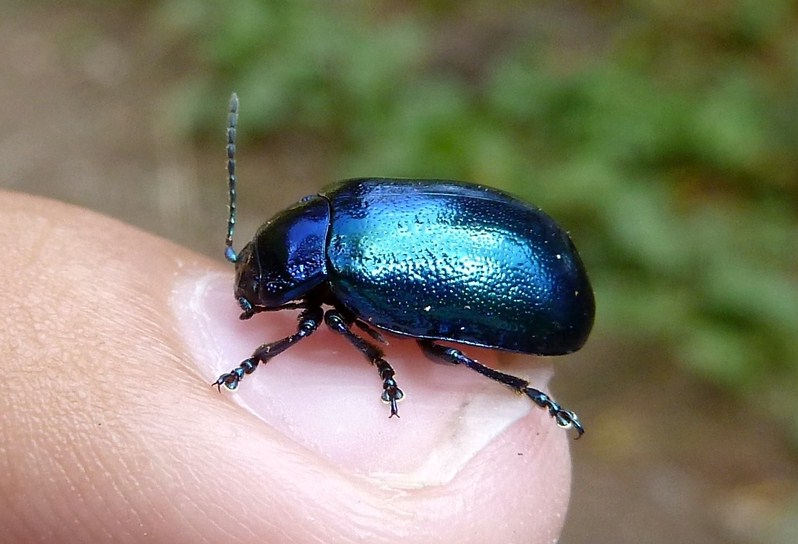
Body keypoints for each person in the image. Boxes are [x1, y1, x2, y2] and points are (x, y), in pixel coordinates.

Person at [0, 191, 572, 543]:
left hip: (533, 282)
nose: (250, 295)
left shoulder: (347, 265)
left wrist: (260, 362)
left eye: (258, 282)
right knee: (426, 349)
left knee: (441, 353)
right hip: (531, 249)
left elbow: (316, 325)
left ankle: (527, 391)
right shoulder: (339, 220)